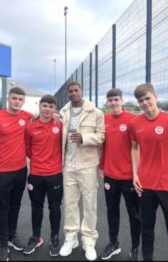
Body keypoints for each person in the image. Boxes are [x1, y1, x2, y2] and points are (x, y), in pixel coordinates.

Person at [129, 83, 168, 261]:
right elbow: (134, 148)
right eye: (140, 100)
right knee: (147, 229)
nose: (144, 103)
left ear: (155, 97)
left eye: (147, 98)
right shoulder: (134, 124)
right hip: (145, 186)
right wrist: (135, 175)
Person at [59, 81, 105, 261]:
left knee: (89, 203)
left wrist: (85, 137)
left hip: (87, 165)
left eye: (76, 90)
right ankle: (71, 237)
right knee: (69, 204)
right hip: (67, 166)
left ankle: (89, 240)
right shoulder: (63, 112)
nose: (73, 93)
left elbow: (102, 136)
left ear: (82, 91)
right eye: (70, 91)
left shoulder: (96, 113)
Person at [0, 87, 32, 261]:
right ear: (8, 99)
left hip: (20, 171)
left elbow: (44, 118)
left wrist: (57, 116)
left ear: (23, 101)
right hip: (1, 173)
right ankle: (3, 244)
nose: (17, 102)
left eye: (20, 99)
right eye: (14, 98)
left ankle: (12, 236)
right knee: (2, 209)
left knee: (15, 205)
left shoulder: (27, 116)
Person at [99, 88, 141, 261]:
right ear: (107, 103)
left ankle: (135, 248)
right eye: (110, 100)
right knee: (111, 211)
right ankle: (114, 243)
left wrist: (137, 173)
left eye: (116, 100)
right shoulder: (104, 119)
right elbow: (103, 145)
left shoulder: (132, 120)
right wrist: (102, 166)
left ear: (122, 101)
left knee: (134, 214)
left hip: (129, 177)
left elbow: (137, 147)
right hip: (110, 175)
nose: (114, 103)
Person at [23, 95, 63, 257]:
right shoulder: (30, 125)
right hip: (36, 175)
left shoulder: (60, 124)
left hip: (55, 175)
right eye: (44, 106)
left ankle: (54, 237)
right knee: (36, 207)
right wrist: (39, 161)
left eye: (51, 107)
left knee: (54, 207)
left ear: (55, 109)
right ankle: (36, 236)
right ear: (39, 106)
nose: (47, 109)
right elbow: (27, 148)